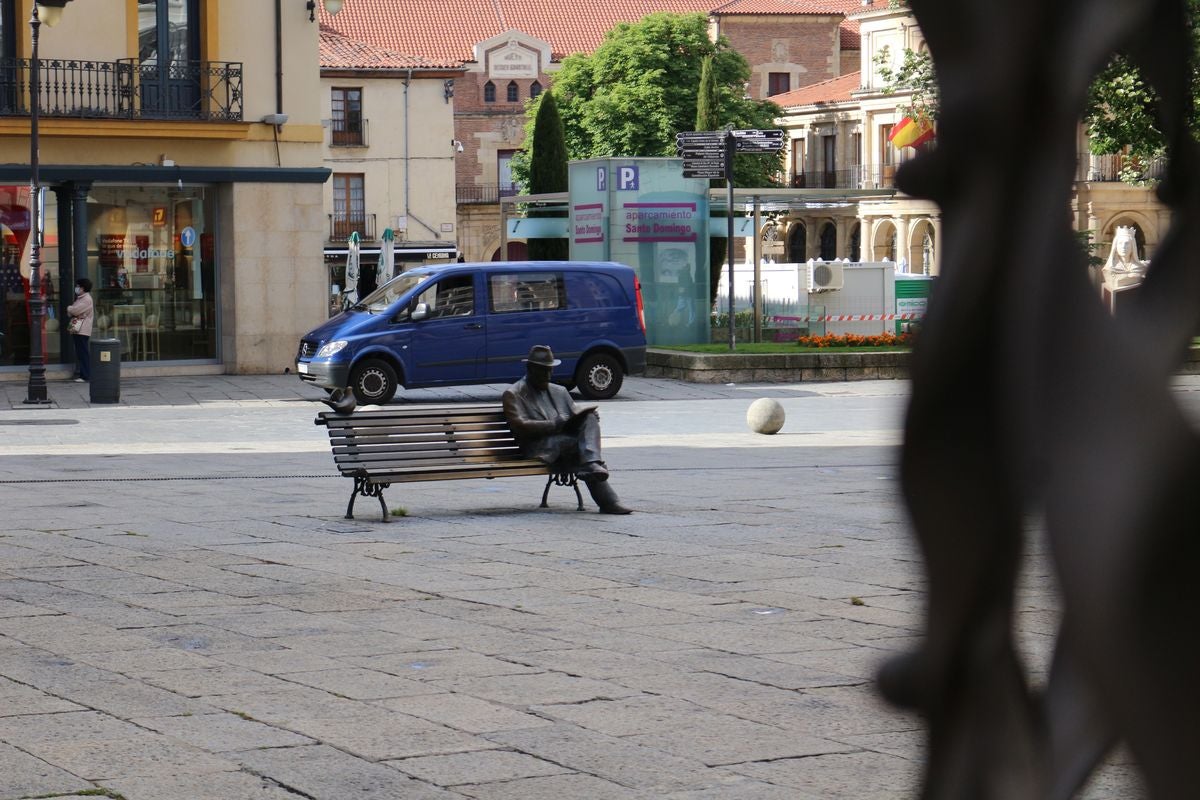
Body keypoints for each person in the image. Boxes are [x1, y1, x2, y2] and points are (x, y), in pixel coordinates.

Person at [502, 345, 632, 514]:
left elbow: (575, 416)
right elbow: (520, 426)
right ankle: (607, 499)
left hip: (565, 444)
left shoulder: (559, 391)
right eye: (543, 371)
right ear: (530, 368)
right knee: (579, 448)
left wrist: (584, 419)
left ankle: (592, 466)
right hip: (538, 446)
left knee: (589, 419)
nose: (548, 376)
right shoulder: (514, 393)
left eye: (550, 370)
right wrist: (554, 424)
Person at [66, 277, 93, 383]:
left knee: (83, 352)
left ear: (83, 288)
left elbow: (75, 311)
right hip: (77, 328)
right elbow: (73, 312)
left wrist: (69, 308)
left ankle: (86, 375)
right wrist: (71, 310)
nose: (76, 288)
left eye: (78, 286)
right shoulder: (80, 298)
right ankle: (83, 374)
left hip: (82, 329)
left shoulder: (86, 299)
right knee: (80, 352)